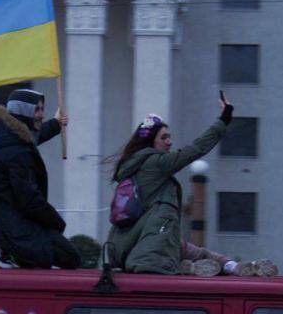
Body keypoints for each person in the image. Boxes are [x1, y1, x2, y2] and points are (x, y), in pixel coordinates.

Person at [107, 98, 254, 275]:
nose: (169, 142)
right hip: (154, 241)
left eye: (170, 137)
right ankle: (233, 267)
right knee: (198, 253)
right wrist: (223, 121)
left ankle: (233, 266)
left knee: (199, 253)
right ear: (150, 142)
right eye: (164, 137)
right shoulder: (156, 162)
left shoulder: (135, 166)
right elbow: (196, 149)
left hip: (142, 238)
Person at [0, 88, 80, 270]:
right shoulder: (17, 153)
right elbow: (30, 201)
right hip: (13, 225)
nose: (42, 114)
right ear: (23, 112)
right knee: (70, 258)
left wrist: (56, 124)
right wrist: (57, 222)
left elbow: (31, 138)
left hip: (3, 218)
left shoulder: (6, 136)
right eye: (37, 109)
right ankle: (6, 251)